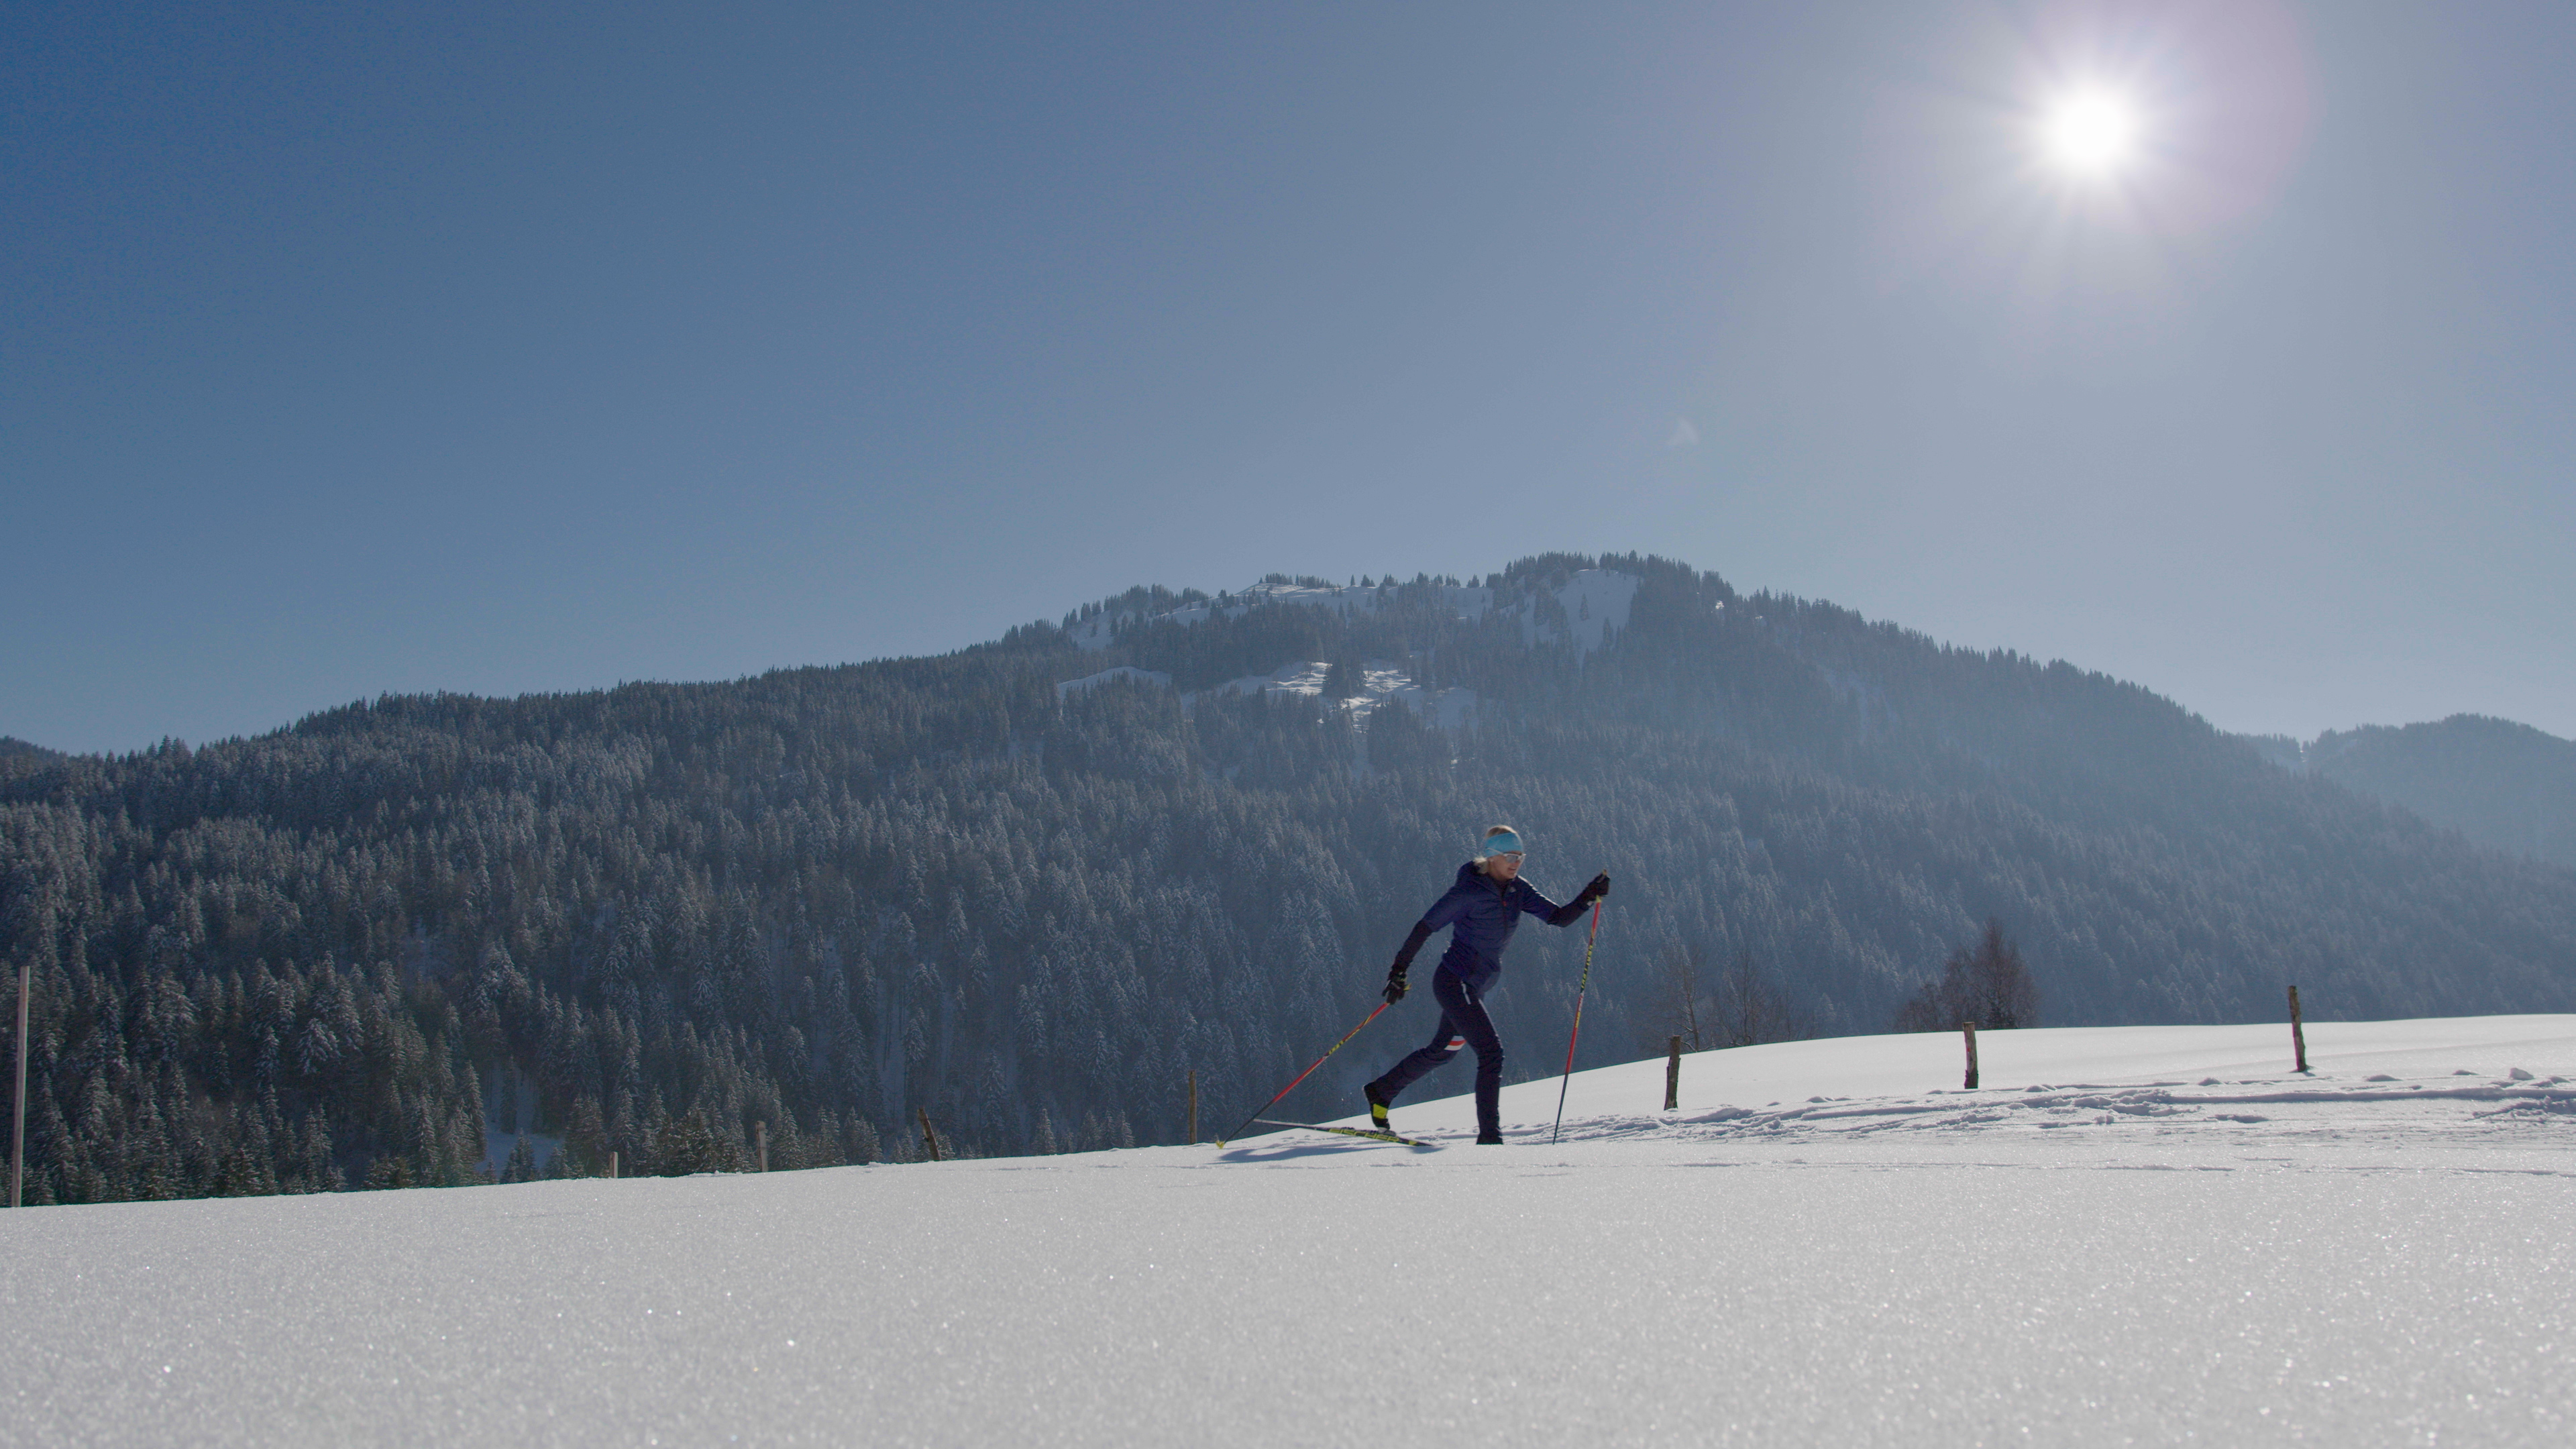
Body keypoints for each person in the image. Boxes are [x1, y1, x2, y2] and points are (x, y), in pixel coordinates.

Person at [1364, 826, 1609, 1144]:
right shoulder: (1469, 892)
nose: (1516, 863)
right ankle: (1490, 1139)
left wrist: (1589, 894)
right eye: (1509, 856)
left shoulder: (1518, 890)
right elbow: (1425, 926)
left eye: (1520, 857)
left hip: (1476, 986)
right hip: (1455, 981)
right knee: (1491, 1052)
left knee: (1443, 1051)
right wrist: (1399, 971)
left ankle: (1381, 1091)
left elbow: (1559, 918)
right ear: (1491, 857)